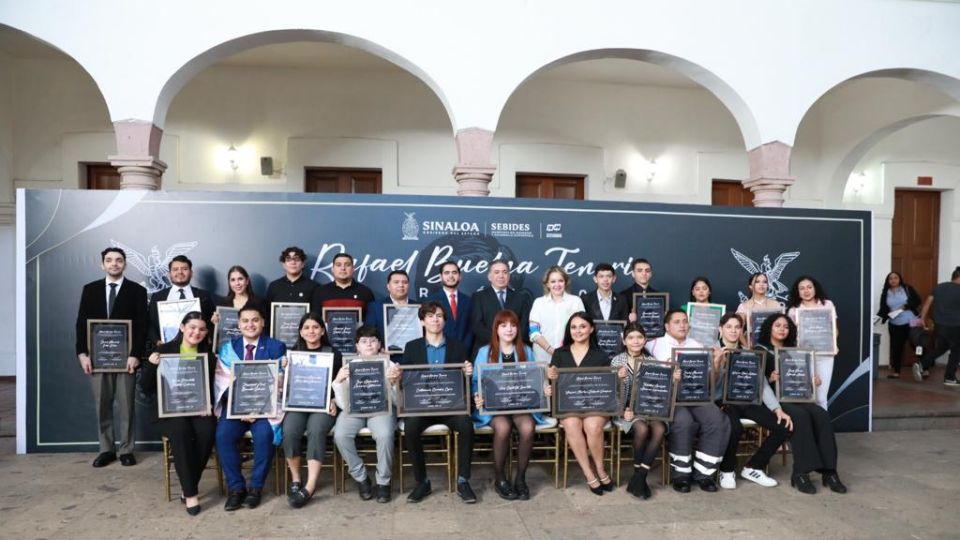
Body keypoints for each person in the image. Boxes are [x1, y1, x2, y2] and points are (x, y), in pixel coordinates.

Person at [394, 301, 477, 503]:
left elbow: (463, 381)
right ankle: (422, 482)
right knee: (411, 429)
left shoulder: (458, 346)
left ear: (444, 321)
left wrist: (467, 373)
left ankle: (463, 480)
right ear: (422, 321)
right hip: (422, 406)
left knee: (467, 426)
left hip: (451, 406)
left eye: (439, 315)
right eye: (430, 316)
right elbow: (407, 381)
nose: (435, 319)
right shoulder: (412, 347)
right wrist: (397, 375)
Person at [756, 313, 847, 495]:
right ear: (769, 328)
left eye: (786, 326)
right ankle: (800, 472)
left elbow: (800, 377)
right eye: (777, 325)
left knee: (821, 414)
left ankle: (830, 472)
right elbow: (758, 382)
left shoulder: (795, 351)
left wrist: (812, 380)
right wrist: (770, 377)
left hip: (797, 396)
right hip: (774, 400)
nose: (782, 329)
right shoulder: (760, 349)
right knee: (800, 417)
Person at [75, 246, 148, 468]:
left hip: (126, 359)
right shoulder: (90, 289)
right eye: (109, 260)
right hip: (97, 359)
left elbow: (142, 325)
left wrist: (136, 355)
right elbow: (81, 323)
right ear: (102, 264)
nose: (114, 264)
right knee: (102, 404)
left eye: (118, 260)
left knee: (126, 405)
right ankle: (106, 449)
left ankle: (126, 449)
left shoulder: (136, 290)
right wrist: (82, 354)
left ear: (124, 264)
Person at [140, 311, 216, 515]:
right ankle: (191, 494)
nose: (196, 332)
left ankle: (187, 485)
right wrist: (151, 365)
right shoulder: (164, 351)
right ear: (182, 327)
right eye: (192, 327)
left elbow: (210, 387)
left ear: (206, 332)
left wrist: (208, 404)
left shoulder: (208, 356)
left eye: (201, 329)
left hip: (197, 408)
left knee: (208, 431)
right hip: (169, 411)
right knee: (181, 432)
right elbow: (145, 387)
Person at [472, 309, 553, 500]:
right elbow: (476, 380)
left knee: (527, 427)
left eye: (513, 325)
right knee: (503, 427)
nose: (509, 329)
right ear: (496, 329)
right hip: (495, 407)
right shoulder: (485, 352)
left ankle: (520, 479)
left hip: (520, 404)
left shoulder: (526, 350)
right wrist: (477, 395)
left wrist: (544, 389)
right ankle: (500, 479)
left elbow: (536, 378)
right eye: (504, 325)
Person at [645, 309, 730, 493]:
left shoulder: (698, 345)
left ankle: (704, 473)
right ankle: (681, 474)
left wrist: (716, 364)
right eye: (677, 322)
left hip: (696, 395)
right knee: (684, 422)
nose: (682, 325)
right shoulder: (652, 345)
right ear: (666, 326)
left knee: (718, 420)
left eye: (685, 321)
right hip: (670, 398)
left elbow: (710, 380)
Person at [213, 304, 286, 511]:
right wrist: (242, 407)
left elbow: (278, 382)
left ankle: (255, 487)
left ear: (263, 322)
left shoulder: (276, 347)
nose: (250, 324)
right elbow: (222, 383)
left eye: (255, 320)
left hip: (265, 409)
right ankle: (236, 488)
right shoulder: (228, 348)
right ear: (239, 324)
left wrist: (256, 407)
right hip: (236, 408)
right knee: (223, 436)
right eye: (245, 321)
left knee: (264, 436)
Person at [712, 312, 791, 490]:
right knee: (735, 428)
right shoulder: (711, 349)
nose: (733, 331)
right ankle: (727, 469)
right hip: (722, 402)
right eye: (729, 327)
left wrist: (777, 408)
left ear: (742, 330)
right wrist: (718, 363)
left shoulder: (749, 353)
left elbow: (761, 384)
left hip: (747, 401)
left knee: (784, 426)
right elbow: (708, 387)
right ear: (720, 329)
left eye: (737, 327)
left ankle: (753, 467)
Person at [546, 312, 615, 495]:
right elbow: (553, 381)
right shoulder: (560, 354)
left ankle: (600, 468)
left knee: (592, 425)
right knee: (571, 423)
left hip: (596, 405)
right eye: (574, 327)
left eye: (583, 326)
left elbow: (607, 385)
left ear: (591, 329)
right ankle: (588, 473)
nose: (578, 331)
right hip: (568, 405)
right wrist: (550, 377)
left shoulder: (601, 355)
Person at [610, 323, 678, 500]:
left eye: (639, 337)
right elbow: (612, 393)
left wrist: (674, 380)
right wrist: (621, 410)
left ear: (645, 340)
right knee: (642, 429)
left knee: (660, 429)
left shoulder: (652, 362)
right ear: (624, 341)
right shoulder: (617, 361)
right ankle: (637, 475)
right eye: (631, 338)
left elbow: (661, 389)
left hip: (649, 409)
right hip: (627, 412)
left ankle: (640, 477)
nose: (635, 341)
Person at [282, 313, 343, 508]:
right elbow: (287, 386)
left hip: (323, 405)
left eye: (315, 327)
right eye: (306, 327)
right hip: (298, 404)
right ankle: (296, 479)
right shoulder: (293, 353)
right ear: (300, 331)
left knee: (316, 430)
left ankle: (310, 485)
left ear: (323, 330)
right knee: (290, 430)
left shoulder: (333, 352)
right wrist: (284, 371)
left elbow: (339, 382)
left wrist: (334, 399)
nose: (311, 331)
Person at [332, 325, 397, 504]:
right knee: (340, 435)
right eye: (364, 341)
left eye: (373, 341)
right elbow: (343, 404)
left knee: (384, 434)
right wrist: (338, 381)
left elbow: (398, 402)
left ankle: (383, 481)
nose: (368, 345)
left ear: (379, 345)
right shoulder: (349, 366)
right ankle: (361, 477)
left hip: (381, 410)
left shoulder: (389, 365)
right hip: (354, 411)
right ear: (357, 346)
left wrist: (393, 383)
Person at [787, 275, 836, 410]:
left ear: (815, 288)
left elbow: (834, 329)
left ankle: (823, 430)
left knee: (821, 398)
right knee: (807, 395)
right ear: (797, 291)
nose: (806, 291)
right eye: (802, 288)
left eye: (809, 287)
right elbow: (790, 336)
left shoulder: (827, 305)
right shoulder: (793, 310)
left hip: (825, 355)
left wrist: (833, 344)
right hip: (803, 357)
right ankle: (809, 430)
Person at [147, 254, 216, 347]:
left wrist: (215, 322)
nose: (180, 272)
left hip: (198, 350)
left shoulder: (204, 296)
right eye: (175, 269)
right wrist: (157, 341)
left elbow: (211, 323)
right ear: (169, 274)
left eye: (184, 269)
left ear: (191, 273)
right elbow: (150, 323)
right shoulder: (158, 297)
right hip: (167, 349)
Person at [469, 259, 533, 357]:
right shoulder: (478, 297)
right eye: (496, 272)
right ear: (489, 276)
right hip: (487, 350)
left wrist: (509, 342)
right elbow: (477, 325)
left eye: (505, 272)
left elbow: (523, 325)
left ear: (509, 276)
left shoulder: (520, 298)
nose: (501, 276)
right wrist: (499, 341)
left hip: (515, 350)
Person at [529, 266, 585, 363]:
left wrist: (563, 352)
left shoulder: (576, 301)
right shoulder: (538, 302)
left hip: (569, 356)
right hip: (542, 357)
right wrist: (551, 351)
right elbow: (534, 332)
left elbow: (582, 329)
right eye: (553, 281)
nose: (557, 284)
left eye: (560, 281)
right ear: (547, 284)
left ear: (566, 282)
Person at [917, 266, 960, 386]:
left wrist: (922, 319)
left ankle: (922, 364)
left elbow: (927, 303)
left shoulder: (939, 287)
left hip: (940, 325)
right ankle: (950, 378)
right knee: (956, 351)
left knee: (942, 348)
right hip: (956, 325)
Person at [876, 271, 923, 379]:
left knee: (917, 344)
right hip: (894, 324)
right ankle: (896, 372)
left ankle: (924, 367)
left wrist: (905, 306)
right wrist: (877, 318)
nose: (893, 280)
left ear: (900, 279)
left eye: (895, 278)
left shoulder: (907, 288)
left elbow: (917, 300)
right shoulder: (885, 293)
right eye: (890, 278)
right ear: (888, 281)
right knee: (896, 347)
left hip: (912, 321)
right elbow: (883, 309)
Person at [426, 261, 474, 354]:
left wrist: (465, 350)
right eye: (447, 273)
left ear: (460, 277)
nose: (451, 276)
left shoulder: (469, 301)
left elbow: (471, 330)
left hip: (465, 354)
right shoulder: (431, 301)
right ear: (441, 277)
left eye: (454, 272)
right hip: (439, 353)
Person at [311, 252, 375, 318]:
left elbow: (371, 322)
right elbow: (316, 320)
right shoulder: (320, 292)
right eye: (338, 265)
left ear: (353, 269)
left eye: (347, 265)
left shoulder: (365, 292)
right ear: (332, 269)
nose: (343, 268)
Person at [365, 270, 416, 345]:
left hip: (414, 354)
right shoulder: (375, 307)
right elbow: (369, 332)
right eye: (396, 282)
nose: (401, 285)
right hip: (387, 354)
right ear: (388, 286)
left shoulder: (418, 307)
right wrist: (380, 348)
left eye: (405, 282)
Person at [620, 258, 658, 323]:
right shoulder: (623, 296)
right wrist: (629, 320)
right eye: (640, 270)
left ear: (651, 274)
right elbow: (620, 321)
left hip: (655, 331)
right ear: (633, 274)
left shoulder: (659, 296)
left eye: (647, 271)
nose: (644, 273)